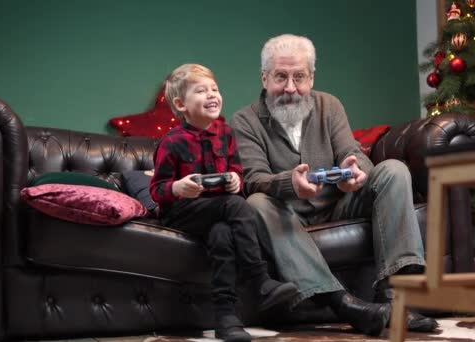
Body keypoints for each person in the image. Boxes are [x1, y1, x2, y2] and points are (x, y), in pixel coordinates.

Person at [230, 34, 439, 336]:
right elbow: (253, 179)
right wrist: (290, 183)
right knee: (255, 203)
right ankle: (345, 304)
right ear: (264, 78)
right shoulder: (244, 121)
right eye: (280, 77)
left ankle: (397, 301)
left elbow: (351, 153)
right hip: (286, 214)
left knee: (393, 170)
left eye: (299, 77)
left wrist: (356, 170)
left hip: (339, 203)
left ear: (311, 77)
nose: (290, 88)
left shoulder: (330, 106)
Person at [150, 64, 299, 342]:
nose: (212, 95)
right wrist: (179, 187)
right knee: (236, 205)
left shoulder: (226, 133)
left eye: (214, 89)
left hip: (217, 214)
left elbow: (237, 171)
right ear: (181, 104)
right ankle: (260, 280)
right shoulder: (170, 142)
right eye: (201, 90)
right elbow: (158, 190)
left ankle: (226, 319)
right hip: (183, 213)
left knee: (222, 234)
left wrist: (235, 180)